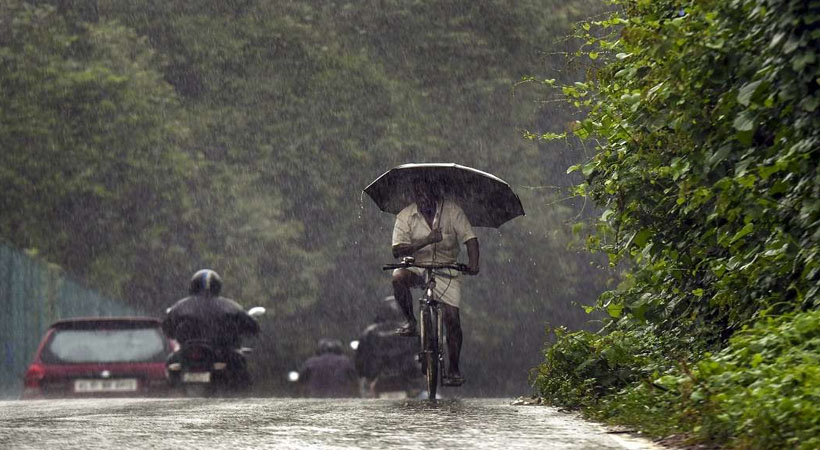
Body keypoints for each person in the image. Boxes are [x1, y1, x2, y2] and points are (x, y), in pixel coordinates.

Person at [391, 177, 479, 386]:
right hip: (417, 266)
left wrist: (473, 265)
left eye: (428, 194)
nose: (424, 200)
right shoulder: (405, 215)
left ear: (437, 195)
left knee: (452, 319)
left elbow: (471, 240)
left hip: (447, 268)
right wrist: (427, 240)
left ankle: (454, 368)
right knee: (397, 277)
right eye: (419, 195)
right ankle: (411, 321)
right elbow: (397, 250)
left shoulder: (453, 211)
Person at [162, 269, 260, 386]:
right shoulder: (230, 306)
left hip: (188, 352)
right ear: (217, 286)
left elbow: (167, 327)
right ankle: (239, 394)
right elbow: (252, 326)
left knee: (170, 363)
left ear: (193, 286)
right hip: (221, 351)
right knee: (241, 366)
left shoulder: (180, 306)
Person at [354, 296, 422, 398]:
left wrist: (366, 375)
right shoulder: (411, 331)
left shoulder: (369, 333)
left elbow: (360, 361)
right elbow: (421, 356)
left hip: (377, 379)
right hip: (407, 379)